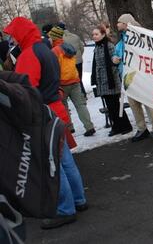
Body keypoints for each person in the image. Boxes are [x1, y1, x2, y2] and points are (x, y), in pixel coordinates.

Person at [3, 17, 87, 229]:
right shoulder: (45, 49)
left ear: (21, 33)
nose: (11, 38)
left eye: (13, 34)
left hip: (42, 113)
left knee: (51, 163)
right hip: (55, 107)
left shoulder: (30, 54)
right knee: (64, 159)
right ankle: (79, 200)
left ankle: (64, 209)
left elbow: (25, 90)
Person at [114, 13, 153, 142]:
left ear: (126, 23)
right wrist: (115, 59)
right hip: (127, 77)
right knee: (134, 104)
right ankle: (141, 129)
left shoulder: (139, 37)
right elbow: (116, 54)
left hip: (141, 75)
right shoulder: (120, 42)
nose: (117, 24)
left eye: (119, 22)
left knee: (148, 102)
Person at [48, 26, 95, 137]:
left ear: (54, 37)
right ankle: (89, 126)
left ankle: (69, 128)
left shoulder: (54, 51)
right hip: (74, 80)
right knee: (80, 105)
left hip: (62, 83)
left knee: (64, 107)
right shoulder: (68, 47)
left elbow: (54, 68)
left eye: (50, 36)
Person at [91, 25, 132, 137]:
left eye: (96, 34)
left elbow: (115, 63)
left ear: (103, 34)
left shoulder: (109, 46)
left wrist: (112, 80)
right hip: (102, 81)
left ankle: (125, 126)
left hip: (111, 81)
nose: (94, 36)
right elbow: (96, 65)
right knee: (110, 106)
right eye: (93, 35)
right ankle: (116, 126)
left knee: (116, 105)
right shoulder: (97, 47)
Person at [58, 22, 87, 97]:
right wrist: (79, 56)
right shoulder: (75, 36)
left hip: (70, 62)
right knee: (79, 78)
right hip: (79, 60)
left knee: (75, 80)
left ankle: (80, 95)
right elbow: (82, 48)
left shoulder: (61, 39)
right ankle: (83, 93)